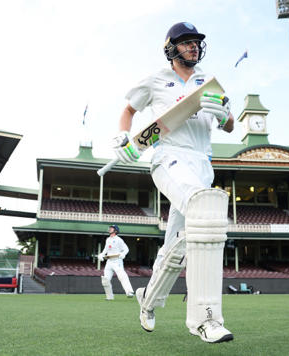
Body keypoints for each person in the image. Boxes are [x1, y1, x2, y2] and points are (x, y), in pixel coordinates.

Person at [112, 22, 234, 343]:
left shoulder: (208, 81)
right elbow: (128, 109)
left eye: (196, 42)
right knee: (205, 213)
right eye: (187, 42)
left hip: (202, 164)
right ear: (171, 47)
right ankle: (205, 319)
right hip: (168, 157)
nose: (193, 47)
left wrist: (222, 114)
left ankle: (148, 301)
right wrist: (123, 137)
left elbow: (231, 124)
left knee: (177, 245)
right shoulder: (155, 80)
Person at [98, 225, 134, 300]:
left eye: (112, 228)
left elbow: (126, 249)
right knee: (105, 280)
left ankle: (129, 292)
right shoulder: (108, 239)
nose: (110, 229)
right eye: (110, 228)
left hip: (117, 260)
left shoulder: (119, 240)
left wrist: (123, 254)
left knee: (122, 276)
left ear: (115, 231)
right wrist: (101, 254)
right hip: (109, 261)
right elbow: (106, 249)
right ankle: (109, 296)